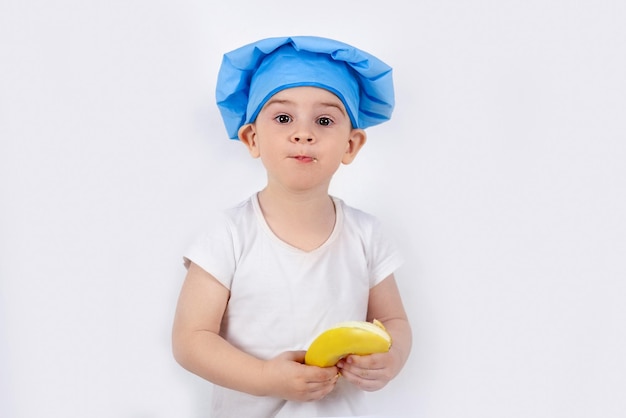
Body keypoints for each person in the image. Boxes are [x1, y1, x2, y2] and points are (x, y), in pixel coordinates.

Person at [172, 36, 412, 417]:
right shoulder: (228, 234)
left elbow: (394, 321)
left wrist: (392, 356)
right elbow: (191, 340)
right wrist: (267, 377)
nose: (304, 133)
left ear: (351, 145)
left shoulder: (366, 234)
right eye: (283, 118)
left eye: (324, 120)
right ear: (252, 138)